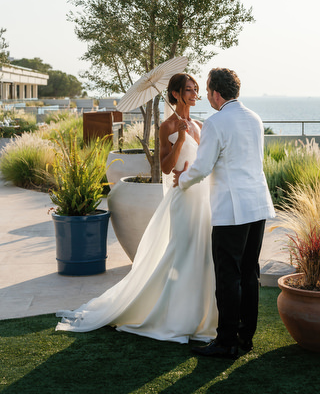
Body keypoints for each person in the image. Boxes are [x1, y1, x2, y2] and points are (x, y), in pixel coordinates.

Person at [55, 73, 218, 343]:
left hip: (202, 198)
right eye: (188, 90)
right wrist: (179, 141)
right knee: (183, 252)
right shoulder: (166, 126)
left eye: (196, 89)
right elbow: (165, 167)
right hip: (182, 197)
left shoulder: (200, 125)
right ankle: (175, 316)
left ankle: (201, 315)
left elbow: (207, 162)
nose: (193, 94)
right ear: (176, 94)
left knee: (202, 253)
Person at [173, 68, 276, 358]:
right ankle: (245, 338)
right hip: (257, 206)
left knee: (228, 275)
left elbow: (203, 167)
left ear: (216, 93)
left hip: (232, 209)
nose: (206, 97)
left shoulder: (216, 122)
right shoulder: (255, 119)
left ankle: (226, 341)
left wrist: (181, 180)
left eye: (207, 92)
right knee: (249, 272)